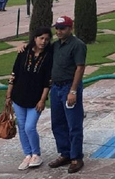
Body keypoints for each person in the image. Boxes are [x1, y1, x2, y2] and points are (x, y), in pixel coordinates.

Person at [5, 26, 53, 170]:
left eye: (46, 39)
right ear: (35, 38)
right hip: (19, 96)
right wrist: (8, 95)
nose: (43, 42)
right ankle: (28, 154)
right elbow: (14, 74)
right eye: (41, 38)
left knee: (30, 127)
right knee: (22, 126)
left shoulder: (49, 56)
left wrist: (42, 100)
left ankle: (36, 154)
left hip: (35, 99)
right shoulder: (24, 52)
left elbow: (47, 81)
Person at [47, 16, 87, 174]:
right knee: (57, 123)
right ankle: (65, 153)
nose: (59, 31)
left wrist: (73, 90)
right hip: (56, 88)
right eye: (57, 28)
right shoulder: (56, 45)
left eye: (62, 28)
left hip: (69, 87)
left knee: (73, 124)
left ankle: (76, 157)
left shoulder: (77, 45)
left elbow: (80, 68)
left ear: (71, 28)